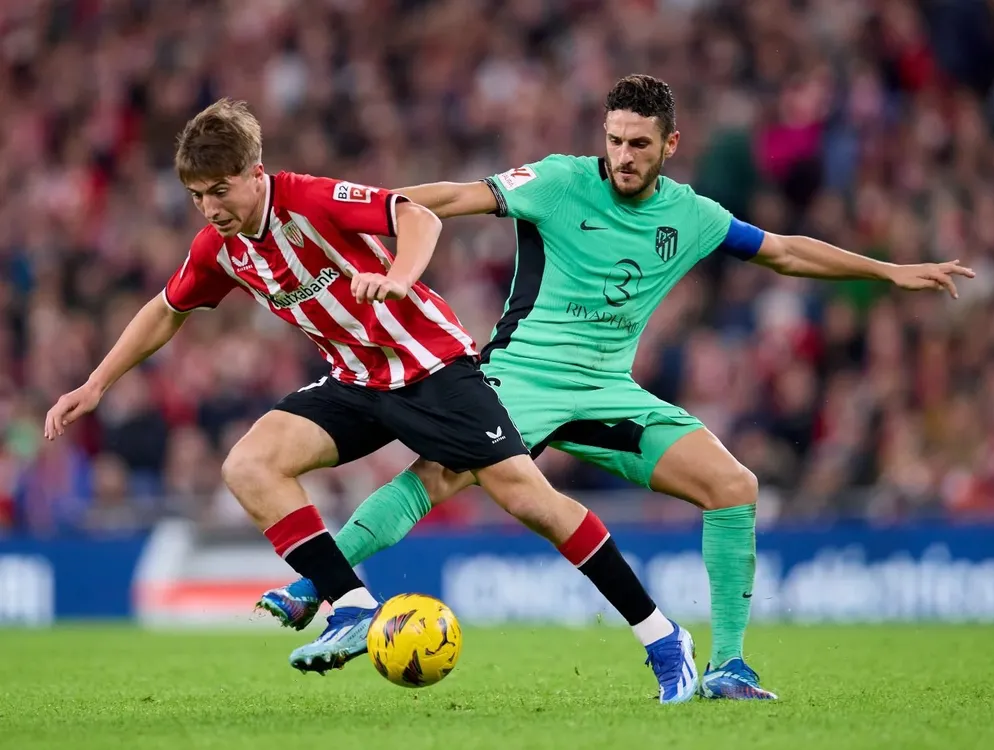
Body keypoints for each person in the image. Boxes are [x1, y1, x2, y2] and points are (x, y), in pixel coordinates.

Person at [262, 74, 975, 700]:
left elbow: (784, 252)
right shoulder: (558, 181)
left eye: (639, 144)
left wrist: (889, 272)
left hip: (607, 391)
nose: (623, 157)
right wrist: (357, 213)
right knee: (439, 474)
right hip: (521, 376)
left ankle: (729, 665)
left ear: (671, 144)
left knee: (734, 486)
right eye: (614, 141)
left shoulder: (690, 216)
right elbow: (454, 195)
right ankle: (311, 585)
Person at [43, 98, 702, 704]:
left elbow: (415, 216)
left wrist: (397, 277)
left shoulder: (309, 199)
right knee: (250, 464)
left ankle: (663, 638)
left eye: (220, 191)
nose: (211, 208)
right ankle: (351, 606)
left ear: (255, 173)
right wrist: (97, 383)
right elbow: (166, 310)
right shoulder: (221, 247)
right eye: (196, 196)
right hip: (355, 381)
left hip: (432, 367)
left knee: (534, 502)